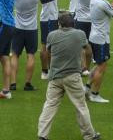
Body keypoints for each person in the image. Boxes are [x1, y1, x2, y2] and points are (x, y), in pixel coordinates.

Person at [37, 12, 101, 140]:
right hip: (73, 77)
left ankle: (42, 135)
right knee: (80, 106)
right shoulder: (80, 34)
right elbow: (87, 50)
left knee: (49, 105)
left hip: (55, 77)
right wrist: (85, 67)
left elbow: (49, 51)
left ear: (59, 24)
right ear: (73, 24)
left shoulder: (52, 35)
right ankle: (89, 135)